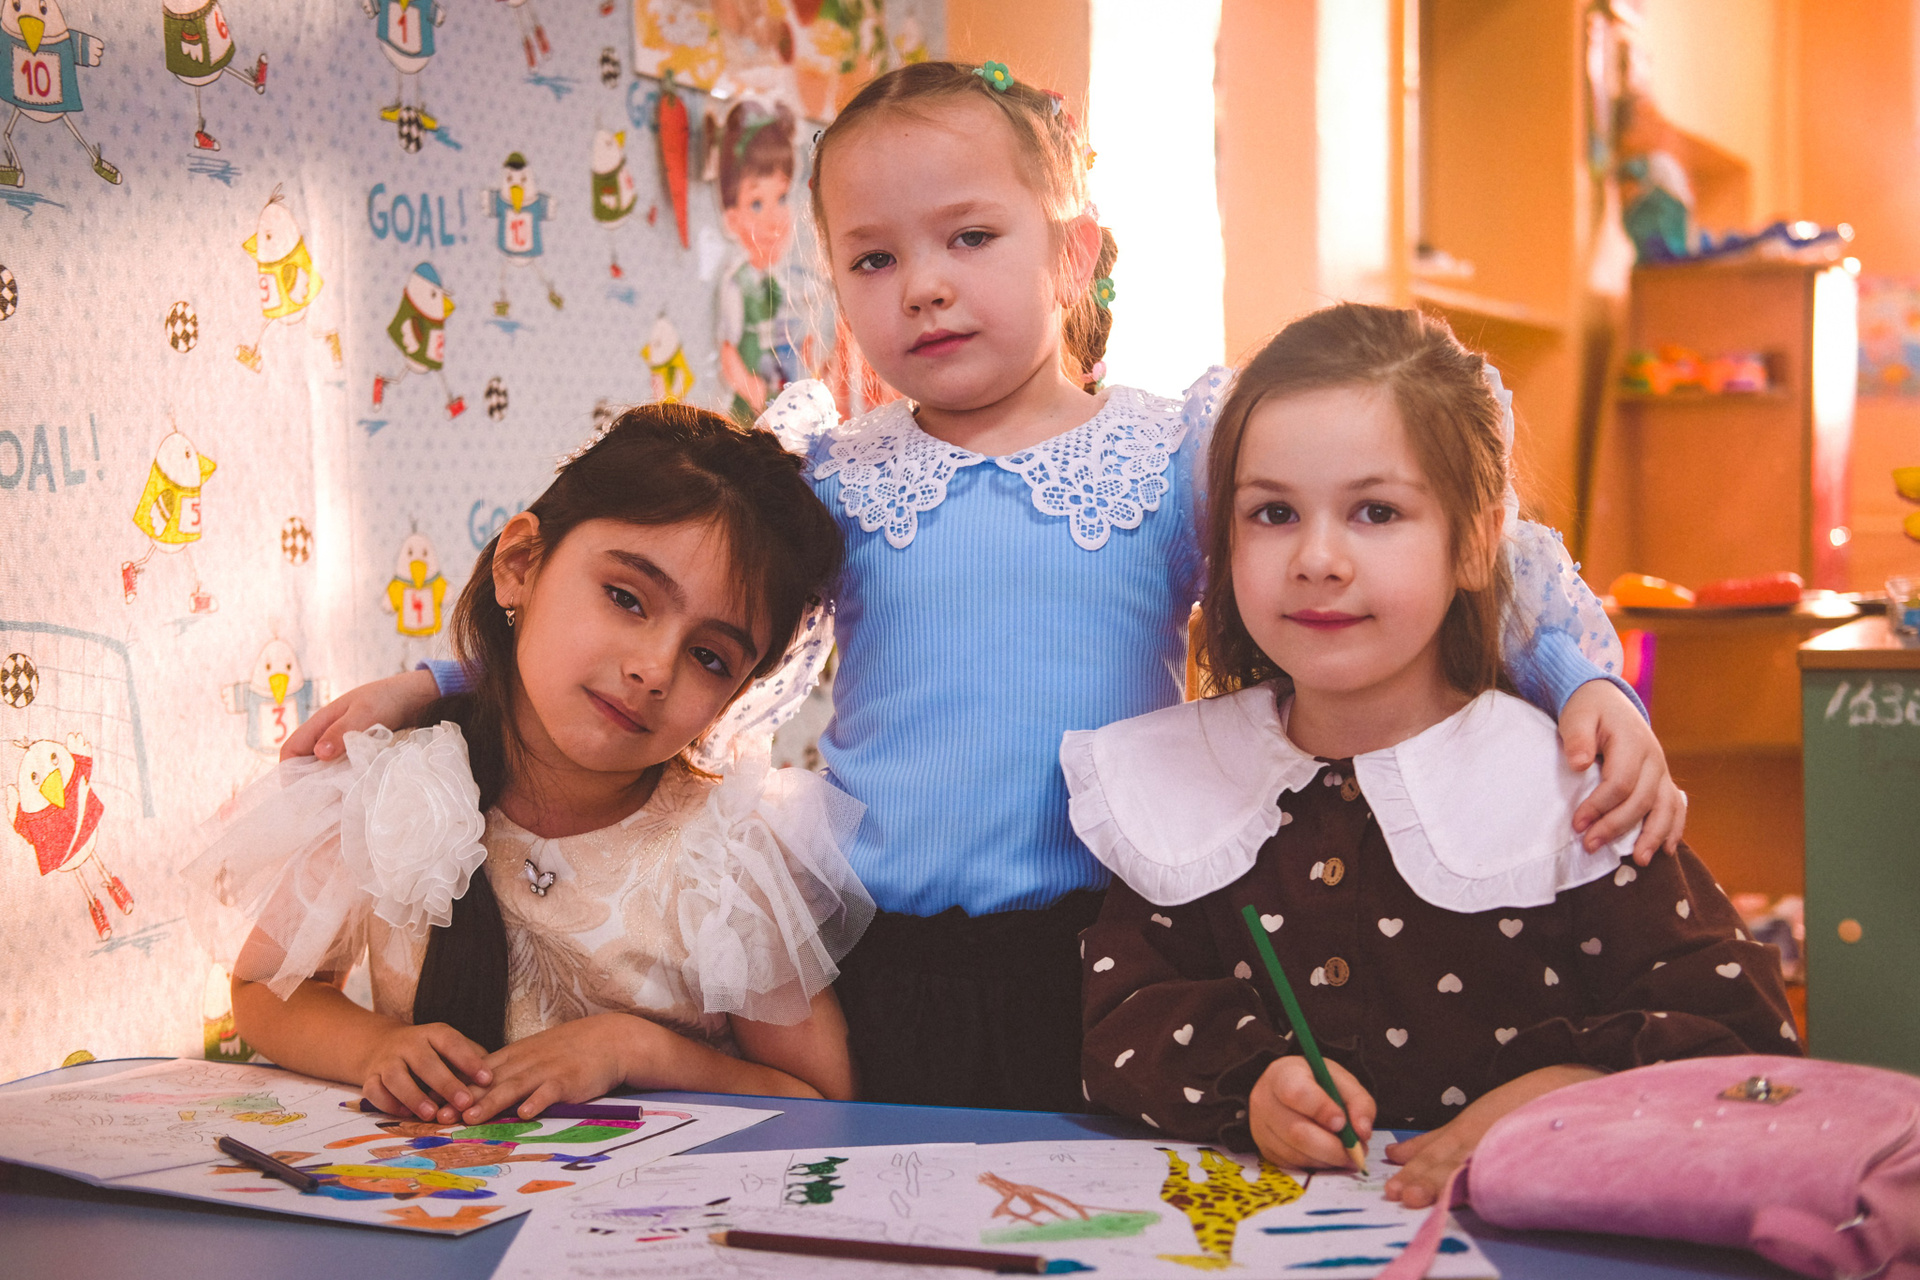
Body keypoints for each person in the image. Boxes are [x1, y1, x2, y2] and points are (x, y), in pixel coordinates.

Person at [283, 61, 1685, 1114]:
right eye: (875, 259)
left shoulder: (1175, 452)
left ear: (1071, 252)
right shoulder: (833, 474)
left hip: (1119, 946)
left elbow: (1471, 549)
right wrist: (446, 678)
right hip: (875, 949)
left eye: (969, 239)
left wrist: (1585, 681)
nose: (925, 288)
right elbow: (670, 619)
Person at [1070, 303, 1796, 1205]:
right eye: (1273, 513)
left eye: (1376, 511)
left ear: (1477, 543)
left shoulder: (1573, 789)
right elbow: (1123, 1017)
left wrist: (1569, 1093)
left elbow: (1745, 1045)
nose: (1318, 558)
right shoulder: (1185, 779)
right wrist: (1250, 1086)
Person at [185, 404, 870, 1126]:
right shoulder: (392, 786)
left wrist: (635, 1048)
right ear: (519, 565)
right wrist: (374, 1048)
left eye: (710, 657)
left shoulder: (728, 860)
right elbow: (266, 989)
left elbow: (824, 1100)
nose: (654, 669)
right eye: (626, 598)